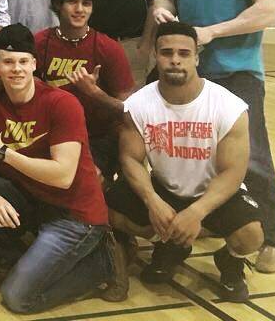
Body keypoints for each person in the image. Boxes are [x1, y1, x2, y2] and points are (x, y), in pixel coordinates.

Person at [0, 24, 128, 313]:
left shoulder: (62, 103)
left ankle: (101, 265)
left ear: (34, 64)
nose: (16, 69)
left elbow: (63, 176)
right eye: (7, 62)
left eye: (22, 62)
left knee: (18, 299)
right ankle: (26, 257)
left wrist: (3, 152)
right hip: (36, 203)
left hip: (76, 216)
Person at [152, 0, 275, 272]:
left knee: (253, 156)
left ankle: (274, 238)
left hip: (239, 72)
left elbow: (265, 10)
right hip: (194, 75)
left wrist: (211, 32)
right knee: (194, 155)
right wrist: (162, 10)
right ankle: (211, 222)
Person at [106, 22, 263, 302]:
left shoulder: (228, 106)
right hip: (166, 188)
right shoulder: (139, 104)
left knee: (251, 236)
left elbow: (233, 172)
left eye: (183, 53)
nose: (175, 59)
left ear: (196, 57)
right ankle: (169, 246)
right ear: (155, 55)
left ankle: (229, 260)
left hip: (212, 192)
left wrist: (196, 212)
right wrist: (153, 202)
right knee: (108, 211)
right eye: (167, 52)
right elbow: (130, 159)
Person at [0, 0, 133, 178]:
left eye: (86, 3)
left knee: (90, 176)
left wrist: (93, 92)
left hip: (96, 135)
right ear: (58, 5)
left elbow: (130, 111)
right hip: (49, 133)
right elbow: (18, 71)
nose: (80, 9)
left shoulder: (109, 48)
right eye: (72, 1)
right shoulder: (39, 42)